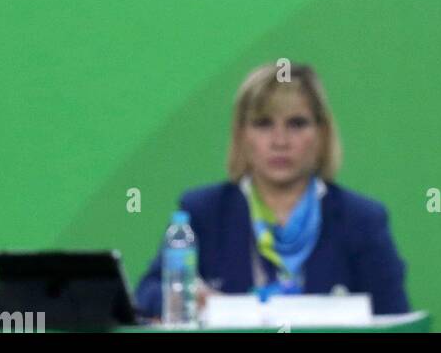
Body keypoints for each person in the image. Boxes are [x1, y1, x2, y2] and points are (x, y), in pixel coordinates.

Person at [133, 63, 410, 317]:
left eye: (297, 124)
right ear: (242, 135)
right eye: (263, 124)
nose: (280, 141)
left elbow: (397, 320)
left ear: (322, 133)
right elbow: (147, 294)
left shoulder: (361, 219)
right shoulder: (204, 212)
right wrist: (190, 296)